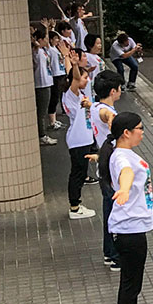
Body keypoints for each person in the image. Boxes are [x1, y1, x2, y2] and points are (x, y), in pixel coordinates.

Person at [98, 111, 153, 304]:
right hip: (128, 229)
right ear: (127, 133)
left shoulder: (119, 152)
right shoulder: (122, 158)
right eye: (140, 128)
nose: (143, 132)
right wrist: (123, 189)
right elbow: (126, 173)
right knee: (131, 282)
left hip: (131, 227)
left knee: (132, 280)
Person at [92, 71, 125, 271]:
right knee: (114, 212)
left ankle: (109, 252)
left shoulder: (95, 106)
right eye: (119, 89)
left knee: (109, 209)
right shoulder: (106, 112)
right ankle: (114, 255)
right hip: (112, 168)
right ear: (113, 91)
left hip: (105, 166)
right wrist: (116, 121)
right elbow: (109, 117)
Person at [62, 61, 96, 219]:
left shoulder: (79, 94)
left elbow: (75, 77)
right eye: (84, 77)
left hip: (84, 139)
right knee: (78, 173)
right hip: (78, 140)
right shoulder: (71, 95)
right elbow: (74, 78)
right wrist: (74, 64)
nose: (87, 80)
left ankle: (76, 205)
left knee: (81, 172)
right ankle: (74, 207)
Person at [32, 25, 56, 146]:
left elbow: (45, 42)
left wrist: (47, 29)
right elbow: (35, 44)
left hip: (47, 82)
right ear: (39, 40)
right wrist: (33, 37)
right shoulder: (36, 50)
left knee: (44, 110)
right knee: (41, 112)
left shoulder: (44, 50)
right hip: (41, 84)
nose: (47, 40)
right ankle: (42, 135)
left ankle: (42, 134)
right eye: (44, 39)